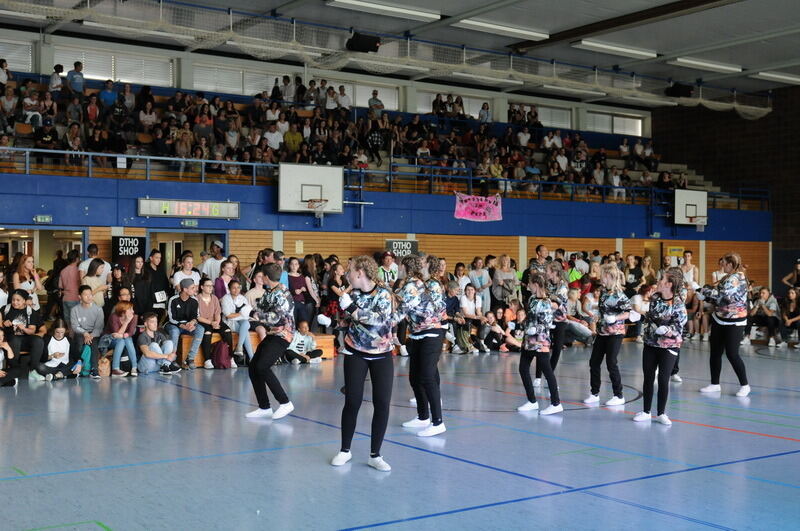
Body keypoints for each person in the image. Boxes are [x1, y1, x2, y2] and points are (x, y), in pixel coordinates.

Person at [330, 256, 396, 472]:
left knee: (382, 403)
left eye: (350, 271)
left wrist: (352, 309)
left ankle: (375, 454)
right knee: (352, 401)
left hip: (382, 354)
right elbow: (347, 320)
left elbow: (379, 319)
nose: (347, 275)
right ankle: (344, 450)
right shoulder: (352, 293)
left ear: (360, 273)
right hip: (355, 352)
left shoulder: (384, 294)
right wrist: (334, 320)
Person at [398, 255, 447, 437]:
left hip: (432, 334)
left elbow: (433, 311)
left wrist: (408, 306)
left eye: (423, 261)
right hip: (417, 334)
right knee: (414, 378)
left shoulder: (432, 284)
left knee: (427, 376)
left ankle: (437, 422)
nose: (420, 263)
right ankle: (423, 416)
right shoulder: (418, 284)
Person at [634, 268, 687, 426]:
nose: (658, 282)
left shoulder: (678, 304)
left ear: (669, 284)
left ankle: (661, 413)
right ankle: (646, 411)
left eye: (661, 280)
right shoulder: (655, 297)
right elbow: (651, 317)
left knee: (663, 379)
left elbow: (679, 330)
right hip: (650, 344)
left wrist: (668, 331)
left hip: (669, 347)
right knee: (648, 377)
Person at [246, 263, 295, 420]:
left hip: (283, 335)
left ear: (266, 277)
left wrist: (254, 314)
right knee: (253, 367)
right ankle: (264, 407)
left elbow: (276, 318)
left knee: (262, 366)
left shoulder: (282, 294)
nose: (261, 278)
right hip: (273, 333)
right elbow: (261, 307)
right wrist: (248, 309)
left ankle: (285, 402)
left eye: (262, 276)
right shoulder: (271, 291)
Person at [697, 253, 750, 397]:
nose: (722, 265)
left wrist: (702, 291)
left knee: (732, 354)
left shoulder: (736, 278)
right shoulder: (727, 277)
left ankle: (745, 385)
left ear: (731, 265)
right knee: (715, 353)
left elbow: (723, 298)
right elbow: (718, 296)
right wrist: (705, 295)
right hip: (720, 318)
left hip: (735, 322)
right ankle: (715, 384)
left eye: (724, 263)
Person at [584, 265, 630, 406]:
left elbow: (628, 313)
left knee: (611, 362)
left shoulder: (620, 295)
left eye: (603, 275)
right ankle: (594, 393)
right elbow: (603, 310)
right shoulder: (604, 292)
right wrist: (597, 317)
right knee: (594, 362)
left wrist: (616, 318)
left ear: (609, 276)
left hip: (615, 334)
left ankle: (618, 395)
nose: (600, 277)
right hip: (602, 332)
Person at [516, 273, 563, 415]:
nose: (528, 286)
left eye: (530, 283)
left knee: (548, 372)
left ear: (536, 285)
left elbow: (548, 323)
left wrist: (535, 329)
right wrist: (521, 326)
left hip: (540, 341)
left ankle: (556, 403)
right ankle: (532, 401)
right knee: (523, 368)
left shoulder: (546, 302)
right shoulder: (531, 299)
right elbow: (530, 317)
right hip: (529, 341)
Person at [534, 261, 569, 386]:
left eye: (547, 270)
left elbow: (556, 305)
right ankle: (538, 376)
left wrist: (544, 302)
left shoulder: (563, 286)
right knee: (542, 347)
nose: (545, 273)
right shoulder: (547, 284)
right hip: (547, 320)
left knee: (557, 349)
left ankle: (550, 375)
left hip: (560, 321)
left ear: (554, 272)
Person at [3, 289, 45, 380]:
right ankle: (14, 371)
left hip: (26, 340)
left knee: (38, 340)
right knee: (15, 340)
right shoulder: (5, 309)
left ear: (25, 301)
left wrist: (23, 328)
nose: (15, 302)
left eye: (18, 300)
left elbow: (32, 331)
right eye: (13, 300)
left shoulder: (30, 312)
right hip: (10, 340)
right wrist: (3, 322)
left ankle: (33, 371)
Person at [166, 279, 204, 369]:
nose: (195, 289)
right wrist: (183, 326)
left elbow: (196, 316)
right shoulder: (173, 299)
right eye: (192, 288)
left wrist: (192, 322)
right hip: (174, 325)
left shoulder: (194, 300)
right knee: (175, 332)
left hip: (187, 325)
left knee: (200, 329)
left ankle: (190, 358)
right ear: (185, 289)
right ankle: (172, 359)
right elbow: (171, 318)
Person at [70, 285, 105, 379]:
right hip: (81, 333)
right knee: (79, 342)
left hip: (94, 334)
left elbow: (99, 327)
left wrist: (91, 335)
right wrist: (85, 333)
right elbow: (75, 326)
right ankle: (78, 368)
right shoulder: (75, 310)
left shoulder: (98, 309)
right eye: (86, 295)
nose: (89, 297)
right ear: (79, 297)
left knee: (93, 344)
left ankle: (94, 370)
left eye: (90, 294)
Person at [221, 279, 252, 364]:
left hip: (241, 321)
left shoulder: (242, 298)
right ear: (229, 289)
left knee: (246, 323)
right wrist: (240, 313)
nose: (236, 290)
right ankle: (251, 357)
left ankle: (239, 347)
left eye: (238, 287)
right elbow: (228, 315)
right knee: (245, 331)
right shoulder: (225, 298)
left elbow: (247, 313)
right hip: (229, 322)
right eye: (234, 288)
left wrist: (240, 314)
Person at [104, 301, 138, 377]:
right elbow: (116, 334)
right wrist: (126, 322)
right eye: (130, 309)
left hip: (123, 338)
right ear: (123, 311)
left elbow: (131, 332)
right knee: (122, 340)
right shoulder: (114, 317)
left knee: (126, 339)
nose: (133, 311)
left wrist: (123, 335)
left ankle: (133, 368)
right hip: (108, 339)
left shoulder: (134, 317)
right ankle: (116, 369)